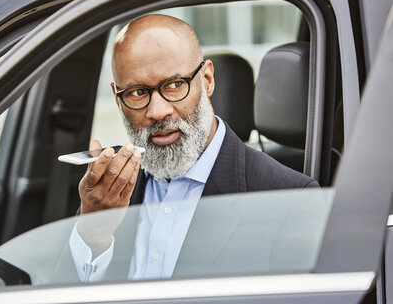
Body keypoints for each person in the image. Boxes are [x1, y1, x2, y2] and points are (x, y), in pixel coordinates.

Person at [66, 14, 318, 282]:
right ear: (118, 98)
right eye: (137, 92)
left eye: (175, 85)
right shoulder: (106, 187)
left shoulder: (289, 199)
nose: (157, 111)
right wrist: (95, 235)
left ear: (207, 79)